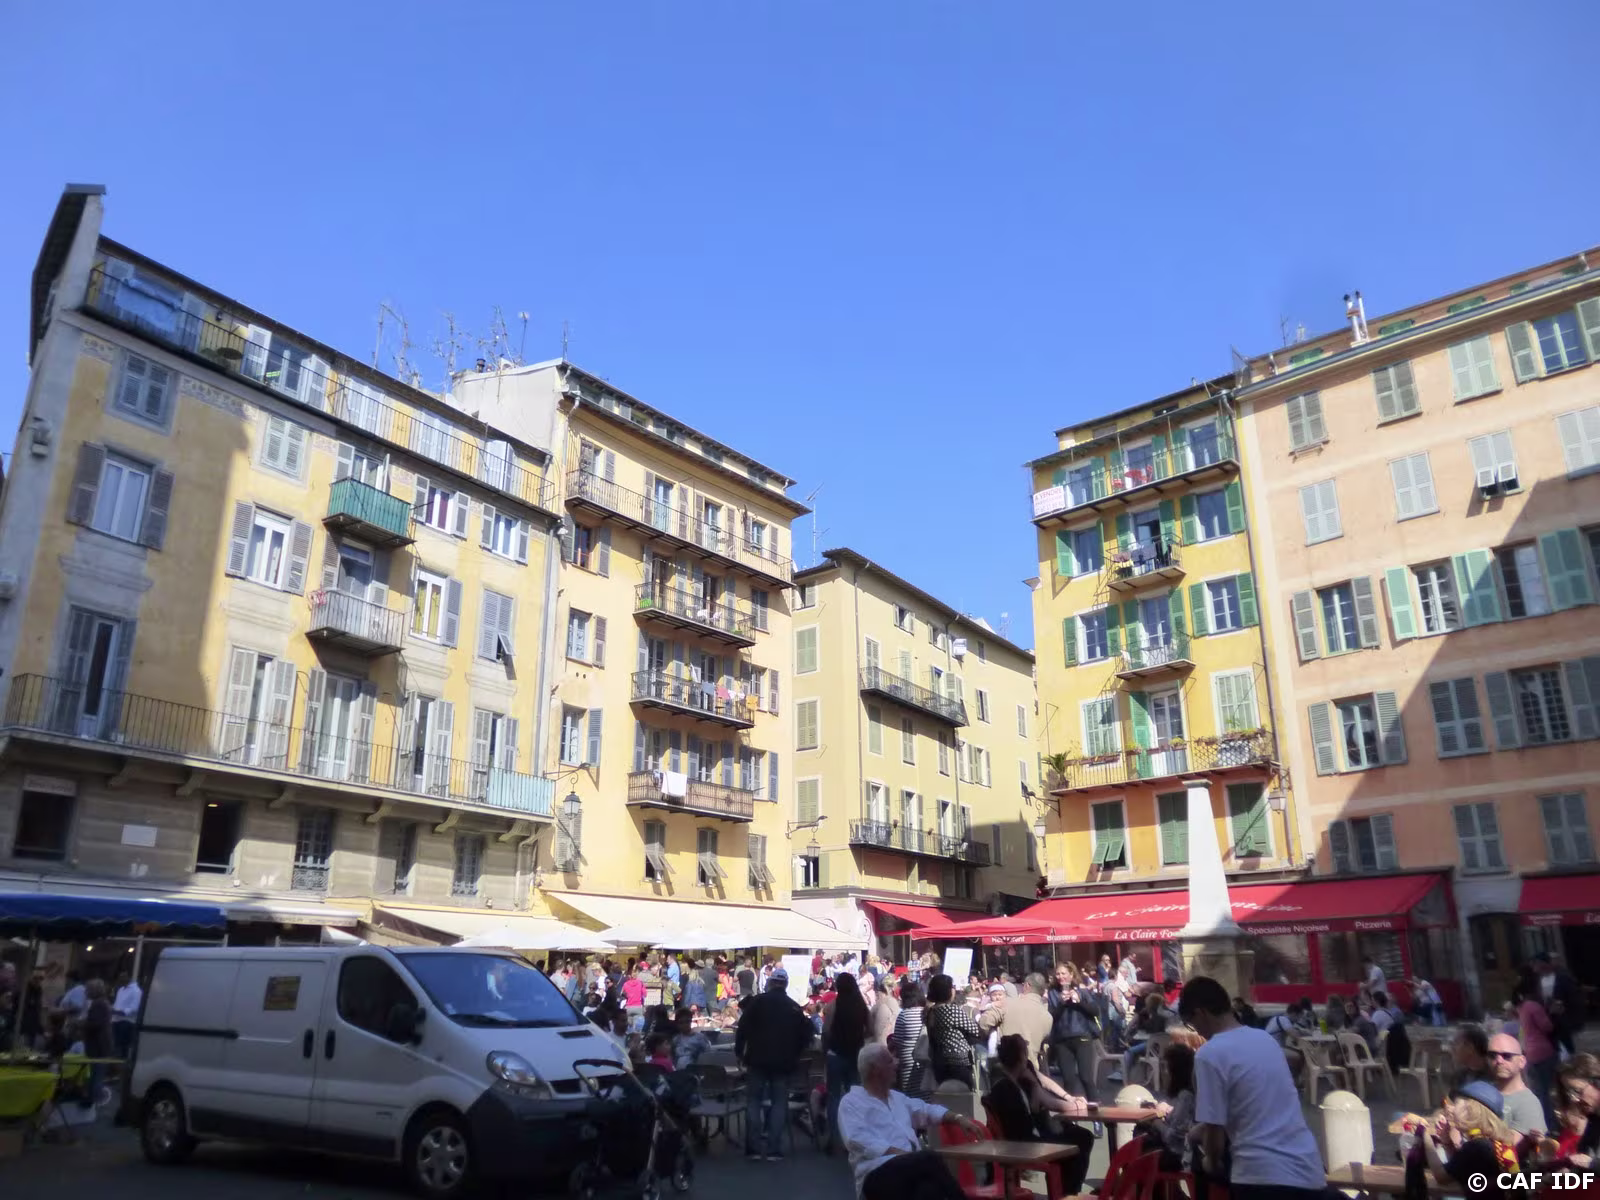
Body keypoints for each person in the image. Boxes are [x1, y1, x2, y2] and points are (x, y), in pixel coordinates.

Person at [1179, 975, 1327, 1200]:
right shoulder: (1265, 1039)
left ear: (1201, 1013)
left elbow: (1214, 1133)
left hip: (1259, 1176)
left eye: (1191, 1024)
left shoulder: (1209, 1054)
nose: (1196, 1031)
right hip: (1308, 1169)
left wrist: (1211, 1161)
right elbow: (1256, 1108)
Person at [837, 1043, 986, 1200]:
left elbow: (926, 1110)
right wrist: (902, 1155)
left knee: (928, 1190)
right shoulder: (851, 1102)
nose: (896, 1063)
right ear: (875, 1069)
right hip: (876, 1172)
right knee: (929, 1158)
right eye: (889, 1061)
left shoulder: (897, 1098)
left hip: (911, 1168)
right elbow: (857, 1140)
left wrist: (959, 1118)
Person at [984, 1033, 1095, 1195]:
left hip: (1028, 1137)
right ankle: (1068, 1194)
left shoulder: (1015, 1081)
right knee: (1082, 1139)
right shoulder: (1005, 1089)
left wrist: (1034, 1086)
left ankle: (1066, 1192)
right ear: (1021, 1058)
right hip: (1024, 1144)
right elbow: (1026, 1123)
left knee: (1079, 1134)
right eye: (1025, 1053)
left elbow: (1034, 1109)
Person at [735, 967, 814, 1162]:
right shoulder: (793, 1007)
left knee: (753, 1101)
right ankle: (774, 1149)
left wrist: (739, 1052)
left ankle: (753, 1148)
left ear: (770, 983)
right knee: (779, 1102)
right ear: (786, 985)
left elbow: (742, 1028)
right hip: (783, 1061)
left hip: (757, 1058)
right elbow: (807, 1034)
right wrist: (795, 1053)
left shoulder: (757, 1002)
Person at [1405, 1081, 1523, 1198]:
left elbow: (1441, 1176)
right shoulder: (1493, 1143)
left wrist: (1425, 1134)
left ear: (1470, 1111)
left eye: (1455, 1104)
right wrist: (1446, 1140)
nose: (1451, 1109)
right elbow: (1458, 1167)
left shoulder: (1477, 1147)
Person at [825, 972, 872, 1154]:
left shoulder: (833, 1005)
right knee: (855, 1097)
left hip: (836, 1054)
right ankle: (854, 1137)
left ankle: (834, 1138)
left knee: (834, 1097)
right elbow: (871, 1029)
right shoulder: (861, 1006)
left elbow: (827, 1030)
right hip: (855, 1054)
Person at [1045, 962, 1100, 1098]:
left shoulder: (1082, 991)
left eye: (1063, 973)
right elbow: (1052, 1017)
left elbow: (1095, 1011)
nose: (1060, 976)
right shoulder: (1052, 993)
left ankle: (1096, 1108)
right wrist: (1062, 1004)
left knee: (1086, 1077)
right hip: (1062, 1040)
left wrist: (1079, 1002)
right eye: (1058, 974)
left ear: (1071, 974)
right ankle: (1070, 1109)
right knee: (1068, 1080)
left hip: (1082, 1037)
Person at [923, 973, 984, 1089]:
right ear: (946, 991)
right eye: (952, 987)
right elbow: (976, 1030)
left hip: (939, 1061)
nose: (954, 990)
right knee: (963, 1095)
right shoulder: (951, 1010)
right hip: (958, 1062)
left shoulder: (931, 1011)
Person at [1484, 1031, 1546, 1137]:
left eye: (1506, 1056)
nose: (1499, 1060)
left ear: (1522, 1061)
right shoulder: (1483, 1092)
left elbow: (1512, 1144)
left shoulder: (1528, 1103)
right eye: (1492, 1055)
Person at [1515, 986, 1558, 1131]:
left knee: (1538, 1092)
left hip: (1530, 1053)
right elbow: (1547, 1027)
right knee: (1549, 1091)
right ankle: (1552, 1125)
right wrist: (1552, 1013)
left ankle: (1541, 1124)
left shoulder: (1522, 1009)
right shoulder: (1534, 1006)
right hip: (1543, 1052)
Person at [1533, 953, 1587, 1057]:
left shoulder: (1562, 977)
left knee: (1569, 1047)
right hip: (1548, 1020)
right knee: (1553, 1049)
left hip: (1564, 1019)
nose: (1534, 967)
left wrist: (1564, 1007)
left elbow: (1575, 997)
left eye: (1536, 963)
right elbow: (1538, 1000)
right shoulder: (1538, 981)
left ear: (1543, 963)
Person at [997, 972, 1053, 1063]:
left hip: (1007, 1061)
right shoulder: (1048, 1016)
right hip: (1031, 1064)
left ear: (1027, 985)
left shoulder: (1007, 1003)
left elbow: (985, 1022)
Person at [1554, 1053, 1599, 1166]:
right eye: (1569, 1093)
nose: (1574, 1099)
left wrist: (1593, 1164)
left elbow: (1589, 1162)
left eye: (1578, 1091)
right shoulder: (1594, 1120)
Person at [1123, 990, 1171, 1081]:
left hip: (1152, 1047)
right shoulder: (1164, 1017)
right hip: (1163, 1048)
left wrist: (1141, 1014)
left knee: (1129, 1052)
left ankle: (1126, 1078)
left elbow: (1143, 1028)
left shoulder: (1154, 1018)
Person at [890, 981, 927, 1098]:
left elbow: (897, 1041)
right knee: (926, 1096)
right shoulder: (927, 1013)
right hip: (926, 1060)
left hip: (909, 1060)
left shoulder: (904, 1015)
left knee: (911, 1098)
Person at [111, 971, 142, 1058]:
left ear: (129, 977)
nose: (121, 979)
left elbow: (134, 1008)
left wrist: (121, 1012)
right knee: (115, 1045)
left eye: (123, 977)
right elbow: (117, 1003)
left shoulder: (136, 991)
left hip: (127, 1022)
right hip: (116, 1020)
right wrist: (113, 1010)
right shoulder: (120, 989)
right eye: (120, 977)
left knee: (123, 1046)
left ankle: (121, 1062)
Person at [866, 972, 899, 1048]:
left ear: (876, 990)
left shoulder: (879, 1006)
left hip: (880, 1049)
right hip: (893, 1048)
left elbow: (877, 1034)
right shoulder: (895, 1004)